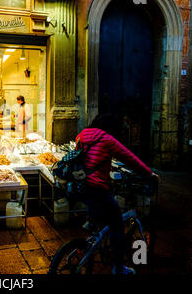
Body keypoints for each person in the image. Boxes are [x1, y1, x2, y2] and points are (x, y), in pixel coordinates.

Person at [74, 113, 160, 275]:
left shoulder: (82, 135)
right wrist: (149, 174)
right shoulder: (106, 139)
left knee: (99, 216)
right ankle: (118, 268)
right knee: (118, 226)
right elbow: (129, 158)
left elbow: (86, 159)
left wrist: (105, 166)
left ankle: (91, 224)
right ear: (109, 127)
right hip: (97, 188)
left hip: (83, 187)